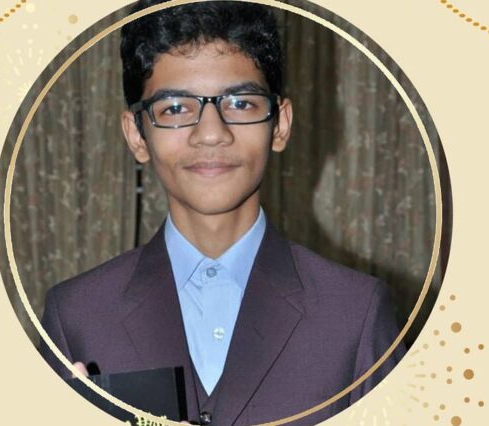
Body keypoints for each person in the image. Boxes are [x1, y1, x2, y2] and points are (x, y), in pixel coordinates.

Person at [40, 1, 406, 424]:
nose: (211, 134)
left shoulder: (355, 313)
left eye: (241, 103)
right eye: (175, 108)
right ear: (137, 135)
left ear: (280, 124)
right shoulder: (77, 316)